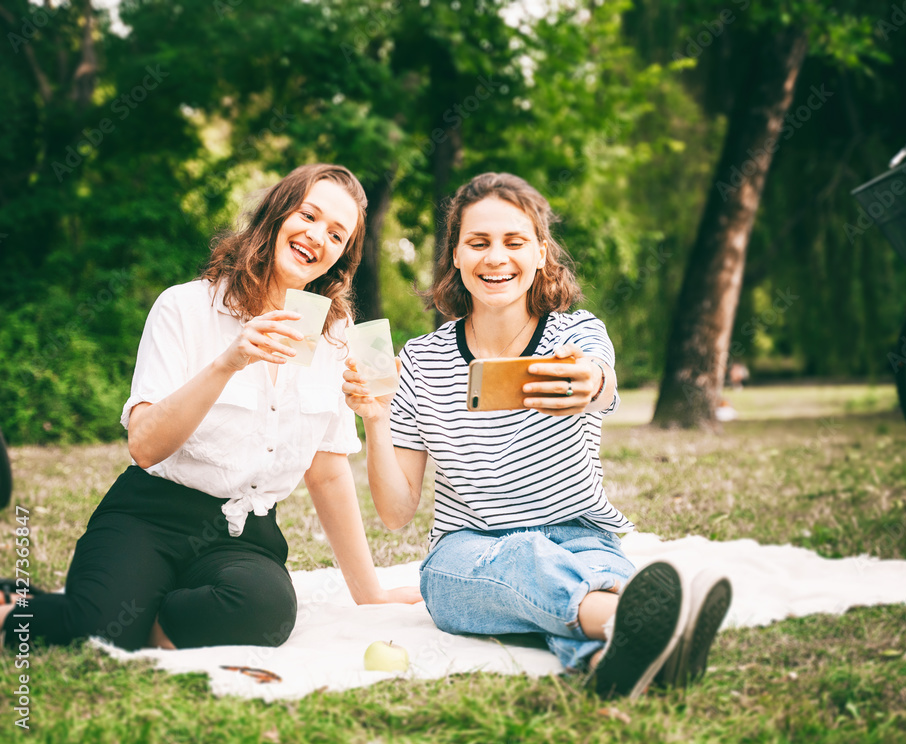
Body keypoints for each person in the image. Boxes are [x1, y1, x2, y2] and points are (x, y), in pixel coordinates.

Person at [0, 163, 419, 652]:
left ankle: (143, 617)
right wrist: (231, 360)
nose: (316, 236)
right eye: (308, 215)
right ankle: (23, 606)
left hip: (243, 535)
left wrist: (370, 594)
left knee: (264, 611)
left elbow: (327, 472)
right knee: (98, 628)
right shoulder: (185, 307)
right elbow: (145, 446)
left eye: (336, 234)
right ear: (276, 212)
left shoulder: (332, 337)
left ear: (340, 259)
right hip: (150, 515)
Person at [343, 172, 732, 699]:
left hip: (579, 538)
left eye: (514, 241)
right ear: (455, 256)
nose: (495, 257)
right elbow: (395, 514)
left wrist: (590, 381)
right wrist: (376, 417)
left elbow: (598, 377)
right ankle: (641, 621)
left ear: (541, 253)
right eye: (478, 243)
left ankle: (611, 657)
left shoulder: (577, 335)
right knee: (528, 563)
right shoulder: (420, 362)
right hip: (466, 559)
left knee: (573, 578)